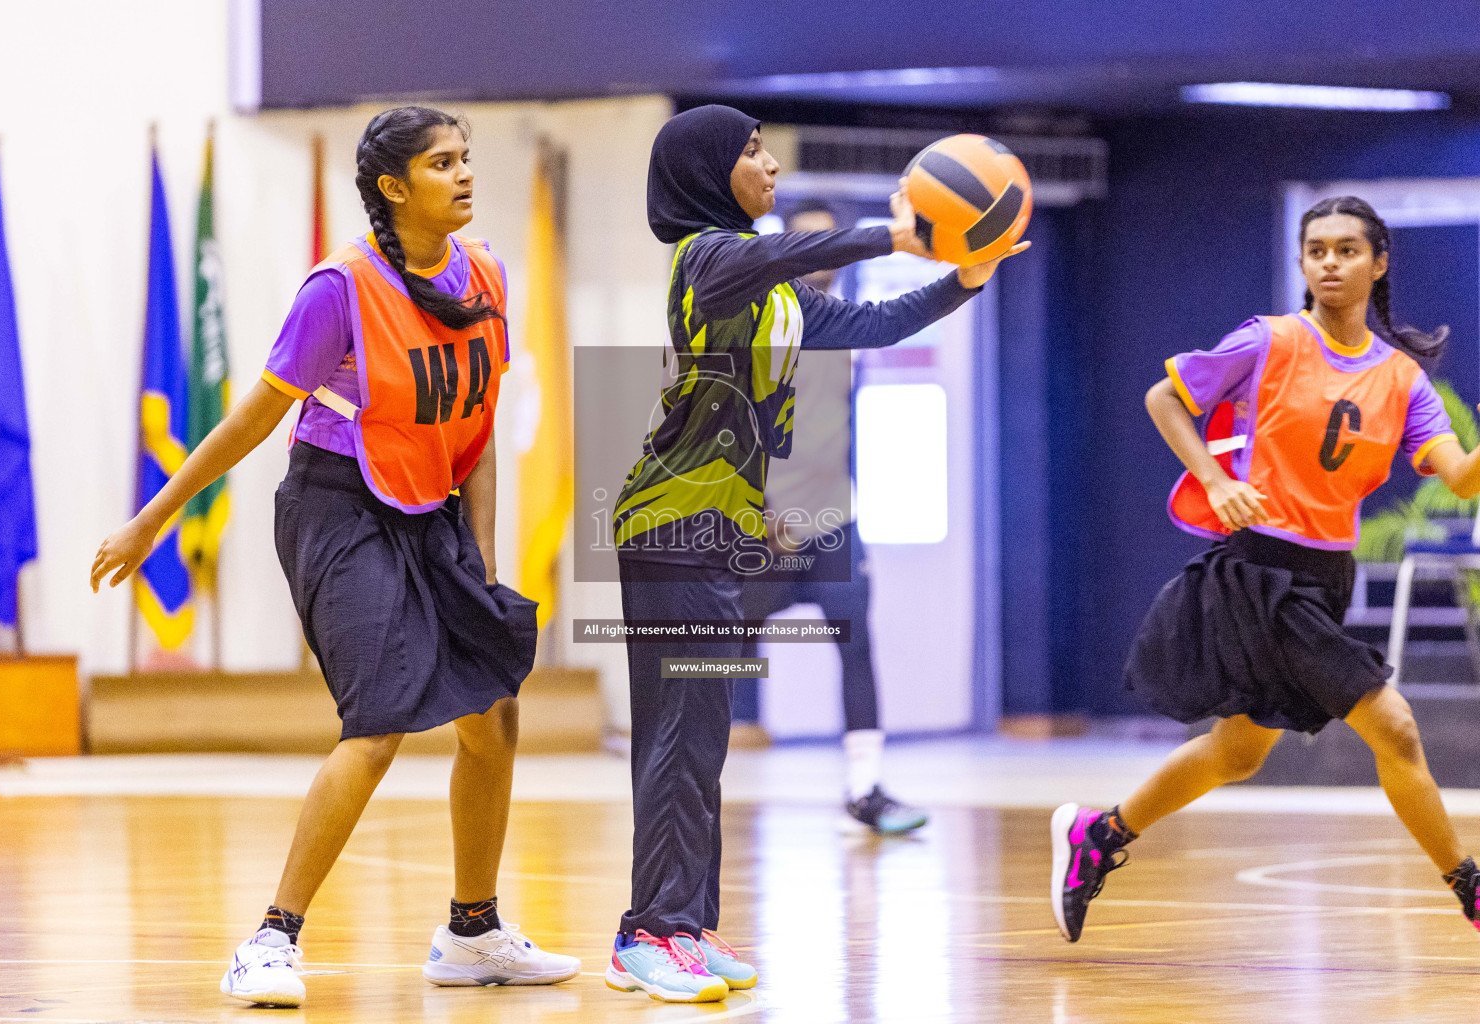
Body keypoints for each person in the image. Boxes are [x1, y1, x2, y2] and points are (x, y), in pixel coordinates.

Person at [90, 106, 579, 1008]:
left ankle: (472, 931)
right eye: (443, 163)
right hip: (337, 506)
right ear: (394, 189)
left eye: (466, 159)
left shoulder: (489, 279)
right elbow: (253, 418)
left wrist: (481, 557)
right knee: (380, 721)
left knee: (495, 715)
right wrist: (153, 519)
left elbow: (478, 429)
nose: (465, 175)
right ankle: (270, 939)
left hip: (431, 505)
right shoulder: (340, 288)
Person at [607, 104, 1026, 1003]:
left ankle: (684, 924)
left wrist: (967, 274)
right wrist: (895, 230)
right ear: (709, 173)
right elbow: (780, 251)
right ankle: (646, 934)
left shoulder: (775, 297)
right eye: (752, 151)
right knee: (679, 737)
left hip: (720, 531)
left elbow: (878, 325)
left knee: (702, 741)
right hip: (670, 526)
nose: (769, 163)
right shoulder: (709, 261)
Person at [1051, 195, 1480, 944]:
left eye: (1347, 249)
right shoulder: (1271, 341)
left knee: (1239, 751)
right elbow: (1165, 398)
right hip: (1257, 575)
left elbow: (1461, 476)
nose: (1330, 263)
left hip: (1324, 578)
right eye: (1316, 250)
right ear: (1303, 263)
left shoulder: (1402, 379)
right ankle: (1470, 888)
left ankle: (1100, 833)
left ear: (1379, 263)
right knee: (1396, 728)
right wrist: (1217, 482)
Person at [736, 199, 929, 836]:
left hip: (833, 523)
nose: (821, 255)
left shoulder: (846, 328)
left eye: (830, 242)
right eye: (807, 243)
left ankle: (865, 789)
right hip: (760, 526)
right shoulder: (759, 323)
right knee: (709, 647)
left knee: (857, 642)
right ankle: (684, 778)